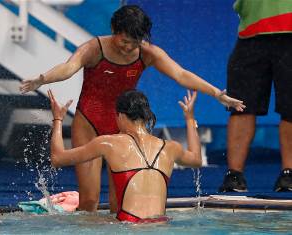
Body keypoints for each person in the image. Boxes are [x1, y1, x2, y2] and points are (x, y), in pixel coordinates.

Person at [20, 5, 245, 212]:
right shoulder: (94, 49)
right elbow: (68, 68)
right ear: (113, 29)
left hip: (123, 128)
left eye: (134, 43)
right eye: (124, 41)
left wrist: (217, 94)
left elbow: (181, 74)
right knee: (89, 200)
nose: (128, 48)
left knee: (121, 204)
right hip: (89, 123)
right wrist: (42, 79)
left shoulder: (148, 53)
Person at [48, 88, 202, 223]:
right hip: (161, 225)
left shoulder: (108, 143)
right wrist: (189, 119)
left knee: (87, 219)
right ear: (146, 116)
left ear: (120, 116)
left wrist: (58, 119)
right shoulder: (170, 147)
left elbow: (57, 158)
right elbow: (196, 159)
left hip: (129, 226)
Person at [219, 0, 292, 192]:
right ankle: (234, 175)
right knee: (241, 105)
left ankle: (289, 173)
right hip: (251, 31)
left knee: (291, 108)